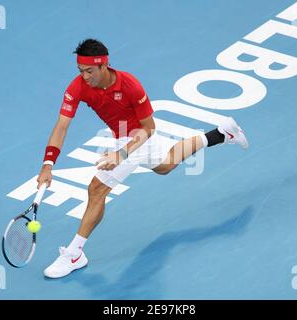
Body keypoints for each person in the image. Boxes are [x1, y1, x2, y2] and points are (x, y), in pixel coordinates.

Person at [37, 38, 248, 278]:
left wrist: (122, 154)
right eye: (80, 71)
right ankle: (221, 134)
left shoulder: (130, 86)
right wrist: (48, 164)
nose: (84, 77)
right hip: (127, 137)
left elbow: (149, 128)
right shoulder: (77, 87)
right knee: (166, 165)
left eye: (89, 71)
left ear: (104, 66)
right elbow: (61, 126)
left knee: (97, 189)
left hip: (138, 136)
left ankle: (75, 254)